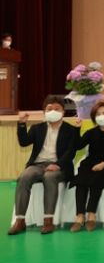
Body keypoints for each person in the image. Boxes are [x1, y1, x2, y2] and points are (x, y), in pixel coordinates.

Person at [8, 95, 78, 235]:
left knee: (49, 177)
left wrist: (58, 165)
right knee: (24, 177)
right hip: (38, 164)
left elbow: (70, 152)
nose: (53, 111)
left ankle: (48, 221)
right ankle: (20, 221)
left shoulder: (70, 130)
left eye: (57, 109)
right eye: (49, 109)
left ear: (63, 112)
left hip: (59, 166)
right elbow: (24, 142)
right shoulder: (37, 128)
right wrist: (21, 124)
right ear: (44, 112)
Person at [70, 101, 104, 232]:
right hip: (90, 163)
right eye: (98, 114)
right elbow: (78, 146)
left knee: (96, 180)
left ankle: (91, 214)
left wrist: (103, 164)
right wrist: (77, 129)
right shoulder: (91, 132)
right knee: (80, 181)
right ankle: (80, 216)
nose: (101, 116)